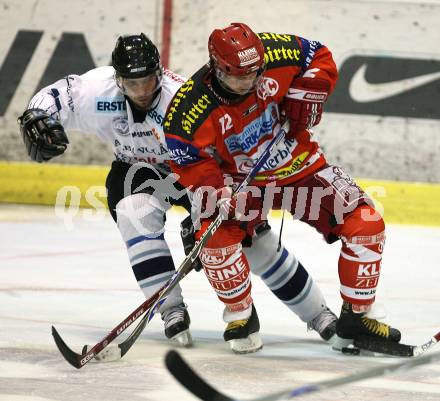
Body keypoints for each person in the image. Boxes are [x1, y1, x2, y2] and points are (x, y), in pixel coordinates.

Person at [18, 33, 337, 355]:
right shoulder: (95, 90)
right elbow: (57, 96)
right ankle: (171, 310)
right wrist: (36, 117)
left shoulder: (182, 97)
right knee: (134, 216)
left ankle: (318, 314)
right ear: (118, 79)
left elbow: (227, 150)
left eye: (148, 81)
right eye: (132, 83)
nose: (141, 91)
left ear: (160, 72)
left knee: (253, 241)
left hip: (194, 170)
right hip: (135, 169)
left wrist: (207, 213)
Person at [164, 23, 401, 354]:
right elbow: (187, 160)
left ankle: (357, 317)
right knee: (213, 238)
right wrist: (215, 190)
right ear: (217, 68)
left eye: (255, 74)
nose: (250, 82)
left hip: (301, 167)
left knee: (366, 224)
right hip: (243, 185)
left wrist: (310, 89)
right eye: (239, 77)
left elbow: (319, 55)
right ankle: (241, 315)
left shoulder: (275, 51)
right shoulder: (189, 109)